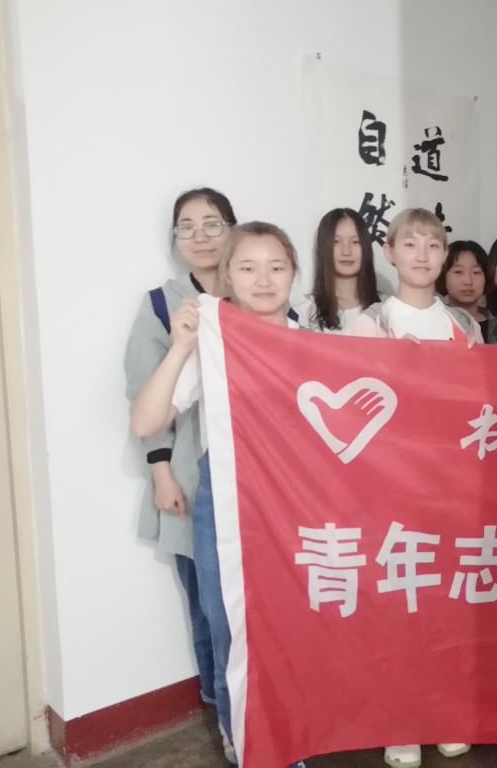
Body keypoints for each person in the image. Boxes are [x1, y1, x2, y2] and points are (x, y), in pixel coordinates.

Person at [130, 221, 306, 768]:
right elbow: (146, 421)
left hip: (299, 510)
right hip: (227, 509)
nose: (263, 280)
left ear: (293, 274)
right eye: (247, 267)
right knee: (234, 631)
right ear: (227, 275)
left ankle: (294, 739)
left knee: (297, 629)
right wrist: (182, 346)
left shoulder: (311, 343)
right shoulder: (213, 344)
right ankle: (252, 745)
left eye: (276, 267)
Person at [350, 208, 477, 768]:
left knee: (450, 605)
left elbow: (480, 405)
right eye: (410, 243)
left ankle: (445, 710)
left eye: (433, 245)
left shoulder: (463, 324)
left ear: (444, 256)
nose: (422, 255)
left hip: (453, 487)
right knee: (399, 605)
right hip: (391, 489)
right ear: (390, 252)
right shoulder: (369, 323)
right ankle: (400, 720)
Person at [124, 187, 235, 715]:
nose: (199, 236)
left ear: (232, 229)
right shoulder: (161, 303)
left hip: (252, 474)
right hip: (189, 474)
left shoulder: (253, 291)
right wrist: (160, 471)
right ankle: (220, 705)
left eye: (212, 223)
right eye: (186, 227)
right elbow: (143, 393)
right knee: (206, 600)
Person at [297, 207, 380, 333]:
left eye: (355, 242)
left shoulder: (386, 307)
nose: (346, 251)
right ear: (324, 248)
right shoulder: (305, 312)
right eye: (336, 242)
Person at [437, 240, 497, 345]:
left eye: (476, 272)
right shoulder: (433, 324)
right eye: (458, 272)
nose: (468, 281)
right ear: (443, 276)